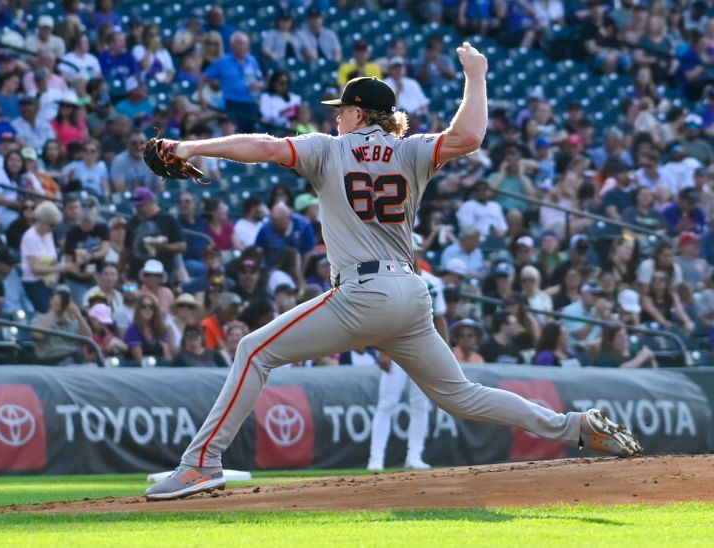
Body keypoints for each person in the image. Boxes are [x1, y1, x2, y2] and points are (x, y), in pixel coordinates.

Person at [144, 45, 642, 502]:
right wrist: (478, 75)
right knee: (460, 394)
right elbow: (469, 136)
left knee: (254, 350)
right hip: (410, 290)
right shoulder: (410, 152)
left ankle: (200, 463)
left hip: (364, 292)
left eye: (340, 109)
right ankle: (574, 426)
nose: (335, 117)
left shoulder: (328, 149)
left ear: (358, 112)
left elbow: (267, 146)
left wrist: (192, 147)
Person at [367, 351, 431, 471]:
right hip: (396, 349)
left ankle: (414, 456)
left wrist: (446, 348)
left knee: (421, 406)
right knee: (386, 404)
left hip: (422, 351)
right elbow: (382, 330)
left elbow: (440, 330)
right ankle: (376, 458)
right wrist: (383, 351)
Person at [21, 201, 71, 313]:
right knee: (48, 312)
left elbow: (52, 259)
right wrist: (62, 267)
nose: (53, 228)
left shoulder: (48, 234)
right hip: (34, 283)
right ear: (42, 222)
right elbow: (35, 269)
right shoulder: (30, 237)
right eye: (51, 225)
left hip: (49, 281)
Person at [31, 285, 92, 364]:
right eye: (59, 298)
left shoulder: (74, 321)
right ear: (51, 300)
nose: (62, 301)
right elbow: (38, 335)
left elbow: (88, 339)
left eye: (66, 299)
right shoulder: (39, 318)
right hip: (50, 362)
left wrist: (78, 315)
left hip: (72, 360)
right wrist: (53, 310)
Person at [124, 293, 170, 362]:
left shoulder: (161, 329)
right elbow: (139, 360)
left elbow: (167, 356)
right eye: (143, 306)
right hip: (139, 370)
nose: (147, 309)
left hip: (160, 368)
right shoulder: (132, 330)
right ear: (138, 309)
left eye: (151, 307)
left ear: (155, 311)